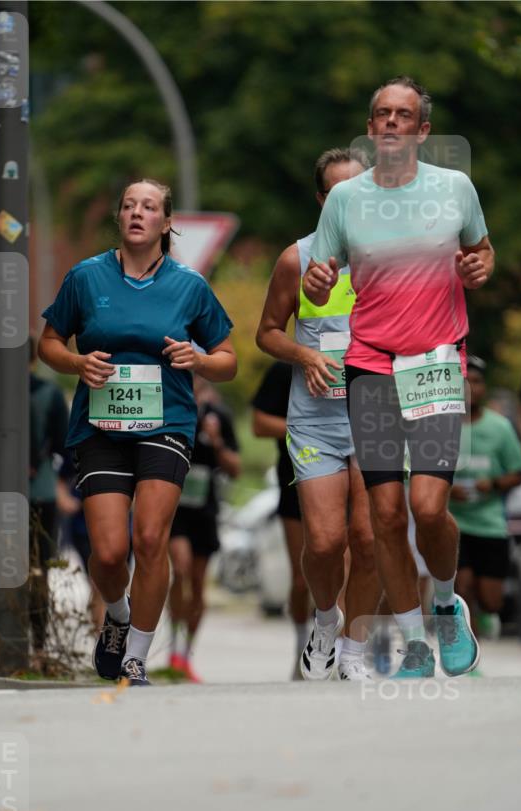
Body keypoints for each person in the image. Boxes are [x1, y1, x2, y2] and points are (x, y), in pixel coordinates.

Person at [303, 76, 495, 679]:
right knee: (384, 515)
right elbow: (321, 271)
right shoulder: (346, 200)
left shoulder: (455, 189)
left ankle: (445, 602)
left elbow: (482, 251)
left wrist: (477, 265)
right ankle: (412, 643)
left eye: (402, 115)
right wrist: (315, 281)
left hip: (436, 360)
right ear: (371, 126)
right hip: (370, 365)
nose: (390, 123)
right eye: (381, 114)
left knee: (428, 507)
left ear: (422, 130)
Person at [39, 179, 236, 686]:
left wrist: (200, 359)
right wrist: (77, 362)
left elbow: (228, 361)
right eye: (128, 205)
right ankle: (119, 616)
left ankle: (136, 657)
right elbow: (50, 343)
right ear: (119, 218)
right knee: (107, 552)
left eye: (148, 207)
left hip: (166, 421)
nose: (136, 213)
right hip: (100, 424)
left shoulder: (189, 285)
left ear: (166, 223)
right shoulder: (86, 277)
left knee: (150, 538)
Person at [256, 148, 381, 681]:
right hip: (316, 420)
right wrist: (305, 354)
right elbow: (267, 333)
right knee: (326, 541)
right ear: (321, 200)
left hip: (376, 414)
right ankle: (324, 620)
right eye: (336, 193)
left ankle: (354, 649)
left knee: (371, 539)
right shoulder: (297, 258)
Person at [0, 336, 70, 669]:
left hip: (1, 499)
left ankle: (2, 642)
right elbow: (65, 445)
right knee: (40, 571)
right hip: (42, 494)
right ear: (33, 358)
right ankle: (40, 648)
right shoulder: (49, 395)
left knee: (2, 570)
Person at [168, 376, 241, 681]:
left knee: (198, 583)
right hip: (175, 508)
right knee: (181, 569)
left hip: (206, 508)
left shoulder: (218, 416)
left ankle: (186, 654)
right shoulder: (171, 408)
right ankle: (173, 647)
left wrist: (218, 439)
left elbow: (235, 468)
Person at [449, 356, 521, 636]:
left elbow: (518, 472)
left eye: (477, 382)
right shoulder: (443, 425)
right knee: (463, 585)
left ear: (484, 387)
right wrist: (446, 489)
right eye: (464, 381)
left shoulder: (499, 428)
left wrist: (492, 484)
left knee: (491, 601)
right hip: (455, 524)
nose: (470, 388)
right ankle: (470, 647)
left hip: (490, 524)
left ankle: (485, 618)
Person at [251, 361, 312, 679]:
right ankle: (303, 647)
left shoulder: (356, 358)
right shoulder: (284, 370)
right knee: (303, 578)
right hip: (295, 479)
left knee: (346, 566)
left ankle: (343, 652)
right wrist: (308, 429)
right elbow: (258, 425)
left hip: (346, 473)